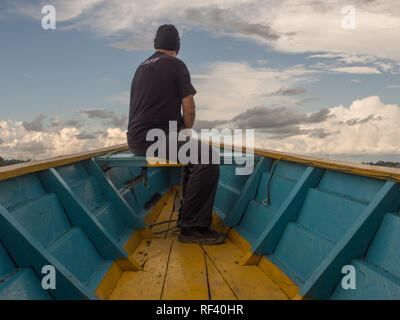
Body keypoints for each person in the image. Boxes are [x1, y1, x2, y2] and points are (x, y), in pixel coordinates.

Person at [127, 24, 225, 245]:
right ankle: (192, 228)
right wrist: (187, 131)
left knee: (194, 157)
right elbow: (189, 108)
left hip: (135, 139)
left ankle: (187, 217)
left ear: (155, 44)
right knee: (208, 157)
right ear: (177, 47)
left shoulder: (142, 67)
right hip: (156, 139)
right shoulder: (176, 65)